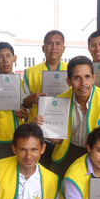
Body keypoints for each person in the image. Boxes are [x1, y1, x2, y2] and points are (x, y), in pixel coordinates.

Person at [35, 56, 100, 179]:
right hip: (68, 151)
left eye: (87, 77)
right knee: (57, 184)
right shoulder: (59, 101)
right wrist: (42, 128)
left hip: (98, 154)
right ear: (68, 81)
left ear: (93, 78)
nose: (83, 83)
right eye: (77, 78)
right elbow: (58, 139)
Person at [22, 30, 68, 168]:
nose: (54, 47)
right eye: (49, 43)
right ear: (43, 48)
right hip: (39, 132)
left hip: (63, 133)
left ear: (63, 48)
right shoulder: (30, 72)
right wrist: (31, 98)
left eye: (58, 43)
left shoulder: (71, 71)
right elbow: (24, 104)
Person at [0, 42, 28, 162]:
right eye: (0, 57)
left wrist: (25, 114)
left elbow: (28, 109)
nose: (5, 60)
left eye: (8, 56)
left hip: (20, 137)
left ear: (14, 58)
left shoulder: (22, 84)